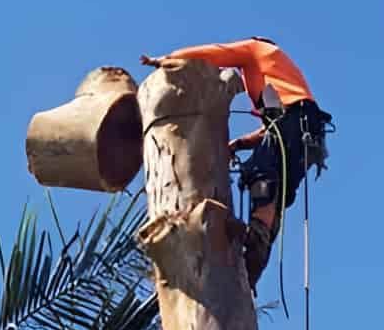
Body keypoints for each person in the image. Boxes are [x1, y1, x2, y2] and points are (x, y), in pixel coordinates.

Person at [139, 39, 332, 286]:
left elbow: (219, 53)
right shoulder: (277, 78)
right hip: (304, 134)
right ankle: (255, 257)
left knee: (261, 175)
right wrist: (238, 145)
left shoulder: (259, 49)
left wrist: (171, 58)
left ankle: (258, 239)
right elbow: (270, 131)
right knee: (274, 188)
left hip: (297, 122)